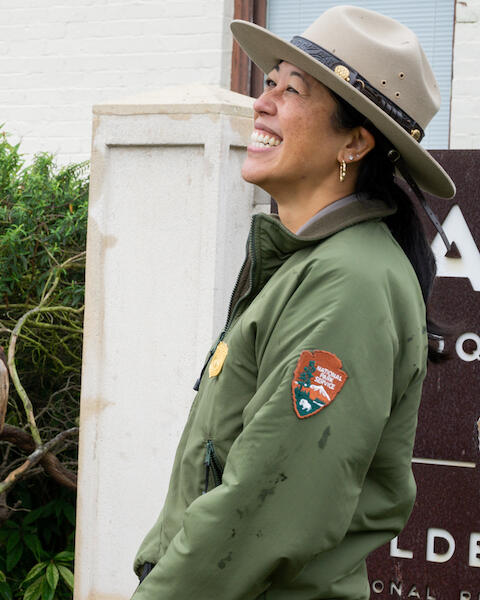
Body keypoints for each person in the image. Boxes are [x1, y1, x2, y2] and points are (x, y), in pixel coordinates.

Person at [131, 6, 454, 598]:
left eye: (293, 90)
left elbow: (262, 506)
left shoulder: (348, 283)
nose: (262, 100)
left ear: (355, 143)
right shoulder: (310, 263)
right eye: (271, 81)